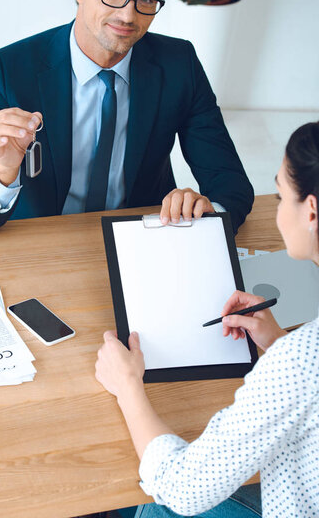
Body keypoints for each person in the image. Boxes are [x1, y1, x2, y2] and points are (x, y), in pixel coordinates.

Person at [0, 0, 253, 235]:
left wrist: (207, 211)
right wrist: (5, 169)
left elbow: (230, 183)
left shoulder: (179, 64)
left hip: (141, 238)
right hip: (45, 237)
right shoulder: (11, 67)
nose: (128, 16)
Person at [95, 121, 319, 518]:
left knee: (158, 507)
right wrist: (278, 341)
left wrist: (128, 385)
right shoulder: (298, 355)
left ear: (311, 211)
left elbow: (182, 488)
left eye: (281, 196)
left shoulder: (301, 361)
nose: (279, 209)